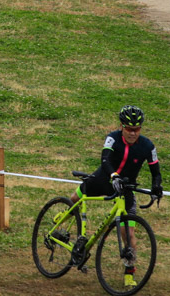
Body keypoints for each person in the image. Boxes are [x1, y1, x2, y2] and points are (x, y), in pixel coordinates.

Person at [66, 106, 163, 287]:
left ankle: (129, 273)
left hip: (126, 188)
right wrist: (113, 176)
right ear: (121, 126)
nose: (133, 133)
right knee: (74, 200)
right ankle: (63, 228)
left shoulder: (148, 146)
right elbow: (105, 159)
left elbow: (155, 171)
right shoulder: (112, 138)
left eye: (137, 129)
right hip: (103, 178)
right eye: (129, 129)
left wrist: (157, 186)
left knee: (128, 232)